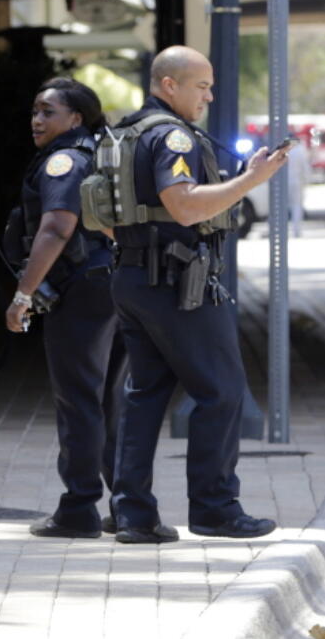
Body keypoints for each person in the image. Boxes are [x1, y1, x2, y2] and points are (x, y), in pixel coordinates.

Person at [109, 45, 288, 543]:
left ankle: (133, 514)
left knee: (145, 396)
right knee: (222, 390)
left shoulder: (129, 132)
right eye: (201, 86)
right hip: (175, 283)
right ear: (170, 85)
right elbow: (184, 207)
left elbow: (107, 213)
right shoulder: (173, 137)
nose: (209, 96)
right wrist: (252, 180)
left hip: (134, 278)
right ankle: (215, 510)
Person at [3, 78, 128, 539]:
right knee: (108, 402)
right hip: (112, 287)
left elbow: (55, 228)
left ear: (75, 118)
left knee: (78, 402)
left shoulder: (64, 160)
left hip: (81, 292)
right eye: (34, 110)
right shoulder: (96, 152)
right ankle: (129, 505)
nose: (36, 119)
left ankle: (78, 509)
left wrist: (22, 295)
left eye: (47, 111)